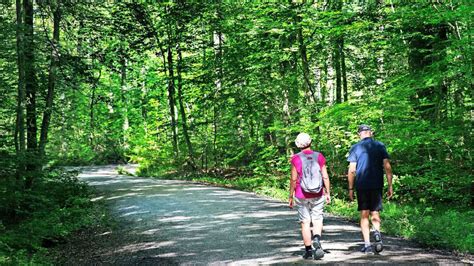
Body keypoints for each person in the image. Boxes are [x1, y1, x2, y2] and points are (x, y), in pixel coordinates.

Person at [347, 125, 393, 254]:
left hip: (362, 184)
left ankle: (367, 245)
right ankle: (377, 234)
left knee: (364, 214)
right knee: (375, 212)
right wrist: (390, 185)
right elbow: (387, 167)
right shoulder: (380, 146)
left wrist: (350, 188)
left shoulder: (355, 147)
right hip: (377, 183)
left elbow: (351, 170)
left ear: (359, 134)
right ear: (371, 133)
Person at [289, 132, 331, 260]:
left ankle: (308, 251)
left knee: (305, 222)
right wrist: (328, 192)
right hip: (318, 193)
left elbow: (293, 179)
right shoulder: (319, 156)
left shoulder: (295, 158)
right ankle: (317, 238)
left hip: (301, 194)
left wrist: (291, 196)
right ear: (310, 142)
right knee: (317, 218)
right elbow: (325, 176)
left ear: (298, 145)